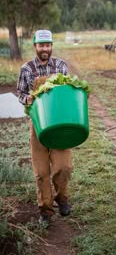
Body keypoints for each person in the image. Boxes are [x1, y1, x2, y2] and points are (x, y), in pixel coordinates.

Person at [17, 29, 73, 226]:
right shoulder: (26, 69)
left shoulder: (61, 66)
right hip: (38, 125)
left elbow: (68, 93)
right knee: (41, 172)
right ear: (35, 46)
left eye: (48, 45)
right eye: (41, 45)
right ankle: (46, 210)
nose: (45, 49)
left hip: (59, 123)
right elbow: (21, 93)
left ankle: (61, 197)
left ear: (51, 46)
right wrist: (28, 98)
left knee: (64, 167)